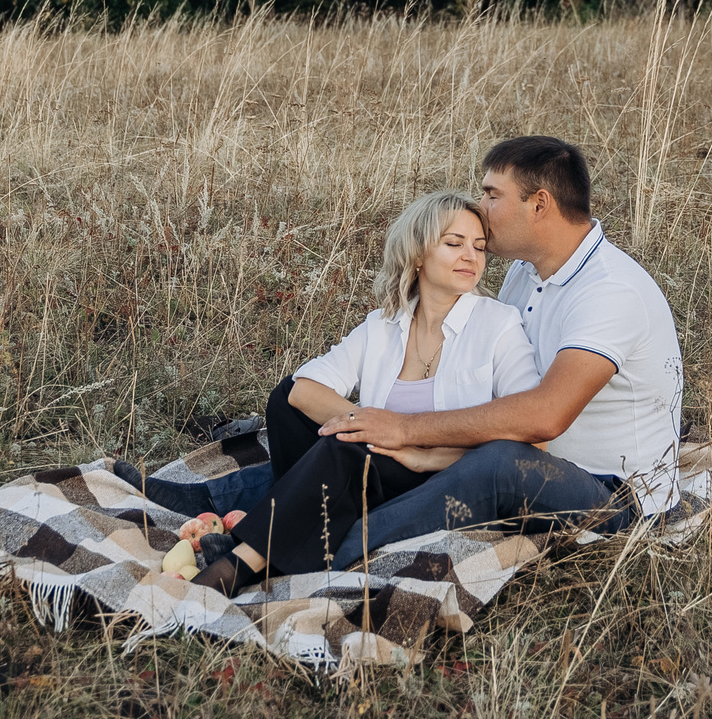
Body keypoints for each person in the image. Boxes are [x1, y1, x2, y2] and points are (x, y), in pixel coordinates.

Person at [195, 137, 684, 593]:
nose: (482, 211)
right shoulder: (523, 274)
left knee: (495, 462)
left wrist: (410, 432)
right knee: (323, 423)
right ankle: (228, 512)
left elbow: (544, 418)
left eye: (492, 195)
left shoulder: (609, 291)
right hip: (517, 461)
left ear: (539, 204)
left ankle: (300, 556)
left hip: (614, 496)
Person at [190, 191, 538, 594]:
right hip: (378, 466)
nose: (471, 256)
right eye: (454, 243)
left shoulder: (499, 324)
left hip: (445, 476)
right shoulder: (386, 323)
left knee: (346, 446)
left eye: (479, 247)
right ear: (418, 253)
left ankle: (240, 562)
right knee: (285, 401)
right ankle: (303, 528)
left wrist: (421, 451)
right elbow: (304, 390)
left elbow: (528, 437)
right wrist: (369, 424)